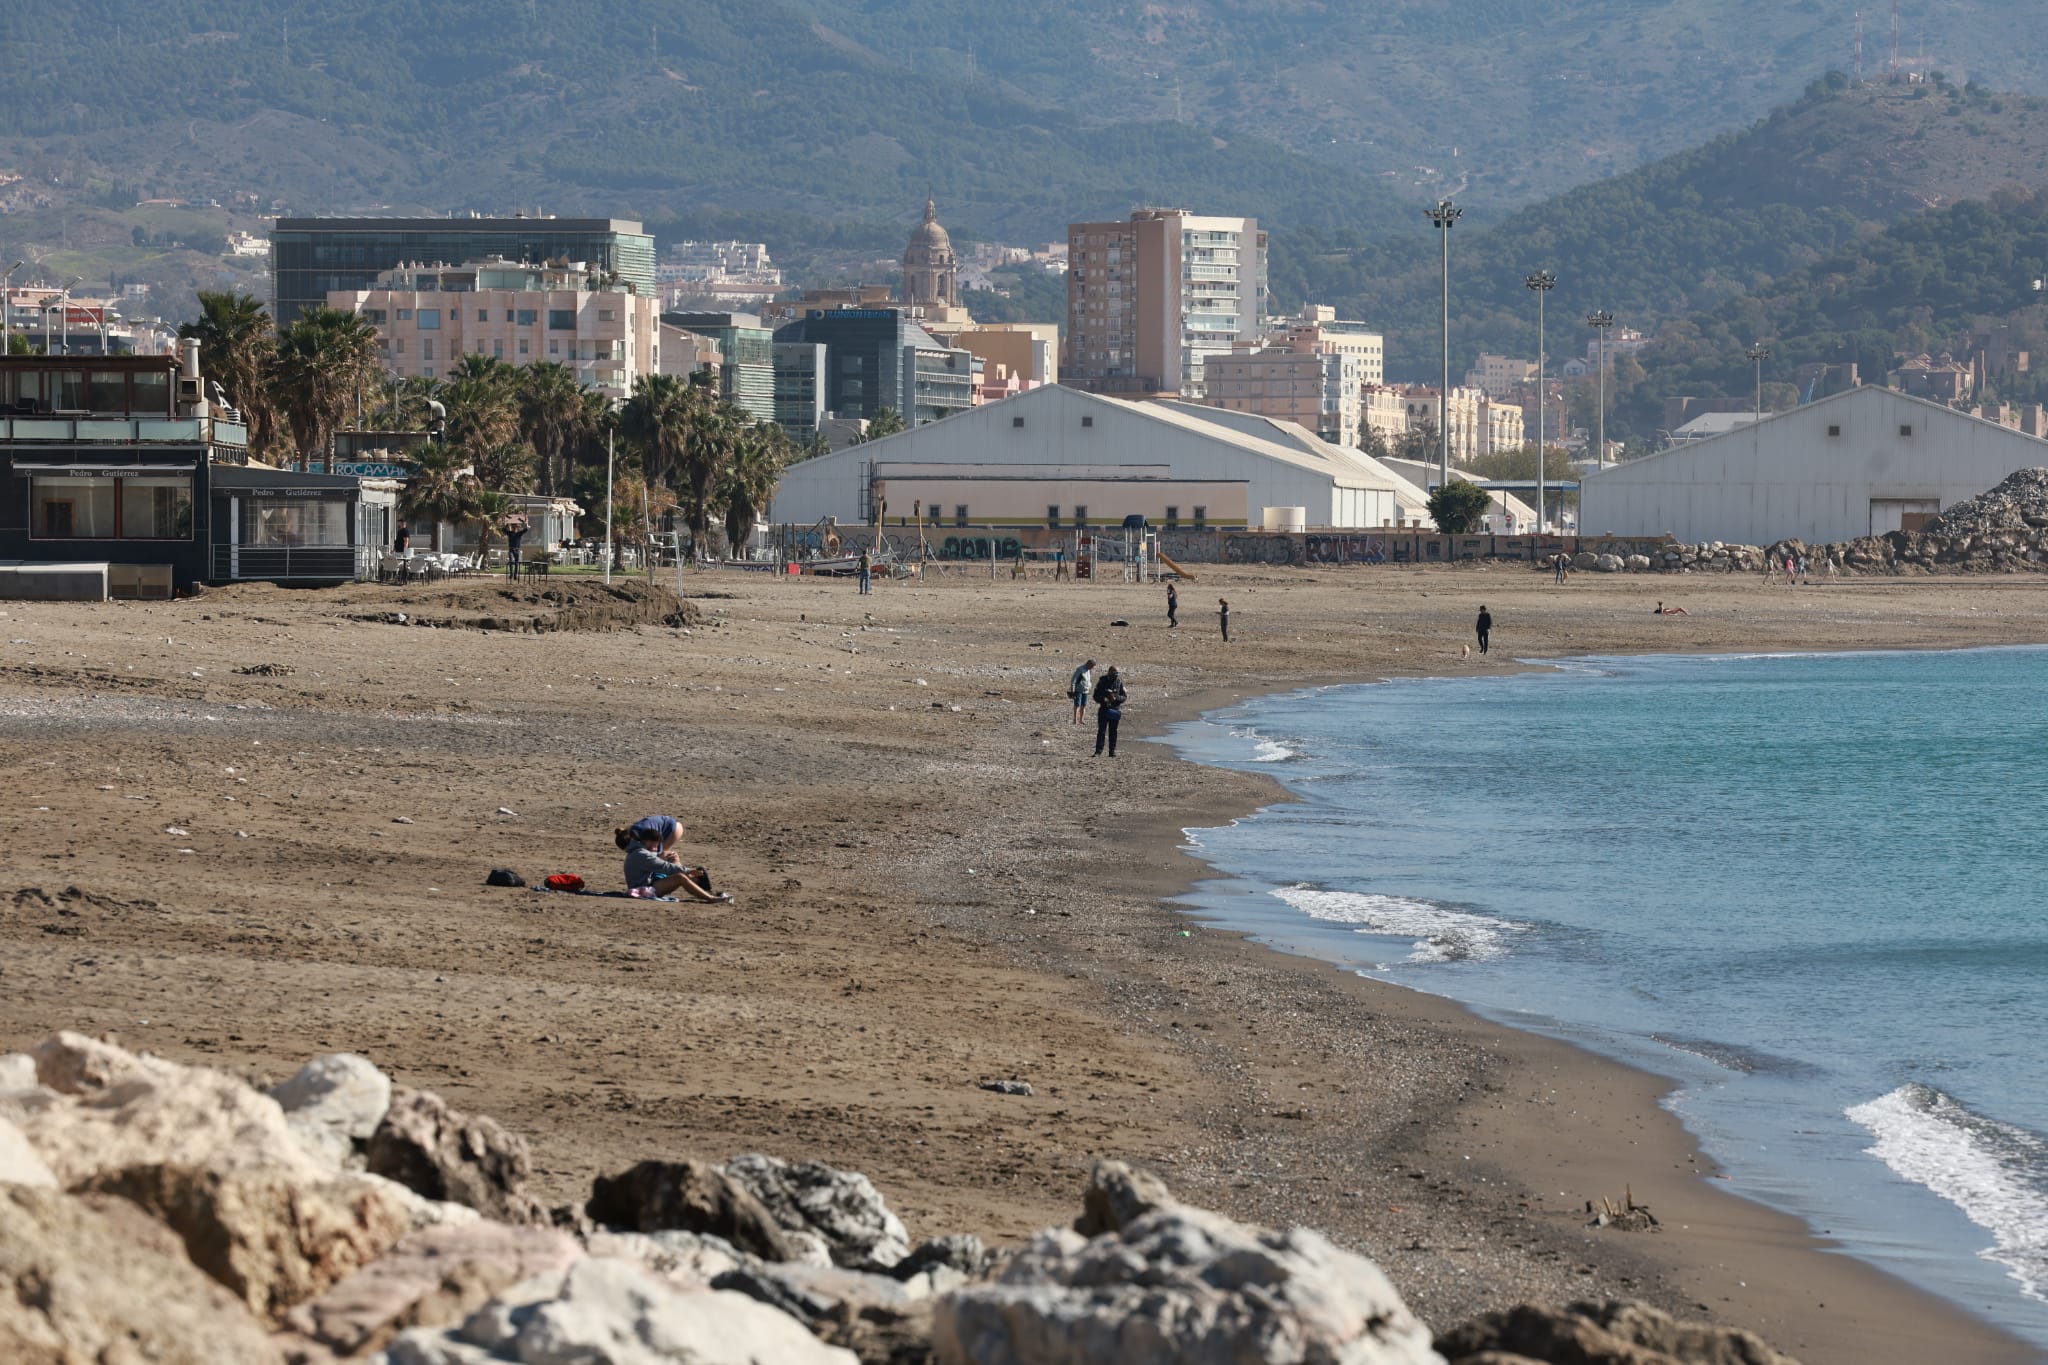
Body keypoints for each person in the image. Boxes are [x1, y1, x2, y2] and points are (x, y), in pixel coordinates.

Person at [616, 817, 729, 903]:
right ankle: (711, 898)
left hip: (649, 883)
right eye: (655, 846)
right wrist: (688, 870)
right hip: (643, 889)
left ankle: (705, 890)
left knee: (676, 867)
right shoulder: (641, 854)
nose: (656, 849)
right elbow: (665, 867)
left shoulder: (638, 851)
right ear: (647, 842)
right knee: (680, 877)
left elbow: (661, 866)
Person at [1092, 664, 1127, 758]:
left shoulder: (1119, 682)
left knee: (1113, 732)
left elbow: (1124, 697)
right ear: (1109, 672)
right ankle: (1098, 752)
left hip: (1115, 710)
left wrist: (1116, 698)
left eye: (1118, 673)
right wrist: (1104, 699)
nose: (1116, 675)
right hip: (1104, 709)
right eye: (1115, 673)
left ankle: (1112, 752)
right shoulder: (1102, 681)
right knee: (1101, 731)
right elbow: (1095, 696)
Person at [1069, 658, 1095, 725]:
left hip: (1086, 690)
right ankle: (1075, 720)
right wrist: (1072, 690)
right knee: (1077, 705)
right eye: (1092, 666)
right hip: (1078, 690)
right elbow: (1073, 680)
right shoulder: (1080, 669)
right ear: (1089, 664)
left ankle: (1081, 720)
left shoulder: (1088, 670)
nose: (1092, 668)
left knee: (1084, 705)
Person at [503, 513, 528, 579]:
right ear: (512, 528)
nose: (514, 528)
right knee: (511, 562)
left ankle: (515, 575)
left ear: (517, 528)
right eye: (513, 527)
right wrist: (506, 522)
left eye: (516, 527)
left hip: (517, 549)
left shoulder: (519, 533)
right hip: (511, 549)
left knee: (517, 563)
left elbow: (526, 529)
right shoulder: (510, 533)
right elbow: (503, 529)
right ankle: (511, 574)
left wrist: (524, 522)